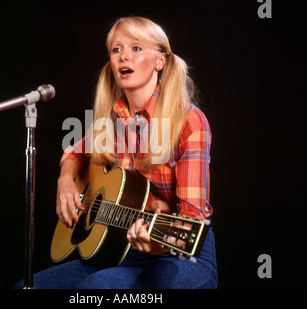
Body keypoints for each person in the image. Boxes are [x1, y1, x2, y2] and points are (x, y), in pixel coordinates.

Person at [16, 16, 217, 289]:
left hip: (178, 254)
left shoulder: (188, 121)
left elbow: (191, 219)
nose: (124, 57)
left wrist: (156, 244)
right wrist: (65, 181)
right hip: (118, 250)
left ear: (161, 61)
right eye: (116, 49)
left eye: (136, 48)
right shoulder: (111, 118)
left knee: (96, 289)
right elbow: (75, 152)